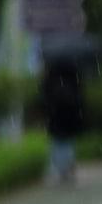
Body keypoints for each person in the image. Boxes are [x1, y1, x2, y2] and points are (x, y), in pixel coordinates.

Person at [41, 54, 85, 185]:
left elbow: (44, 96)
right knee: (67, 144)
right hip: (69, 119)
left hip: (55, 119)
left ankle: (60, 169)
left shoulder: (51, 77)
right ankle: (66, 168)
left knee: (58, 144)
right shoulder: (73, 74)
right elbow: (80, 96)